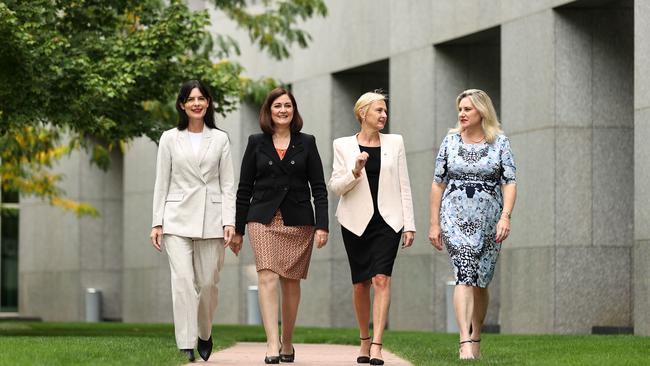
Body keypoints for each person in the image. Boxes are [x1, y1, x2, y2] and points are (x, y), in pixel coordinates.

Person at [231, 87, 329, 364]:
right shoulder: (255, 142)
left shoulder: (307, 142)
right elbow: (244, 188)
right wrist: (238, 230)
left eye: (287, 105)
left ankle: (287, 341)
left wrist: (322, 224)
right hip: (262, 218)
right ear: (269, 111)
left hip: (298, 221)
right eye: (277, 106)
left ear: (293, 110)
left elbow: (319, 187)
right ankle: (272, 343)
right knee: (267, 276)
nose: (283, 110)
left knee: (290, 281)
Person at [150, 80, 237, 362]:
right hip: (176, 219)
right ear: (182, 105)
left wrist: (229, 221)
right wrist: (157, 222)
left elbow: (228, 185)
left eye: (201, 98)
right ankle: (186, 341)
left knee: (209, 283)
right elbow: (161, 182)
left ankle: (204, 332)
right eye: (191, 99)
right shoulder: (169, 138)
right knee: (184, 281)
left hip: (212, 219)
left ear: (208, 103)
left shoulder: (221, 139)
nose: (197, 103)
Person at [429, 89, 517, 360]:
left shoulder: (499, 142)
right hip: (454, 217)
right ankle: (464, 342)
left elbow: (510, 181)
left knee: (480, 281)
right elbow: (437, 182)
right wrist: (434, 223)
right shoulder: (450, 141)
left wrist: (506, 216)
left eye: (468, 109)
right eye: (460, 109)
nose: (462, 113)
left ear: (482, 112)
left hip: (489, 221)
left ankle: (476, 336)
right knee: (464, 272)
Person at [329, 91, 415, 366]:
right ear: (362, 113)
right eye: (378, 110)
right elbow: (336, 188)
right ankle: (364, 340)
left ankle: (377, 345)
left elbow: (404, 183)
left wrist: (409, 224)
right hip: (355, 222)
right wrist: (355, 171)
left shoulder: (396, 142)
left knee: (382, 280)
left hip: (389, 221)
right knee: (360, 284)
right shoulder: (342, 145)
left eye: (385, 111)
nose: (383, 115)